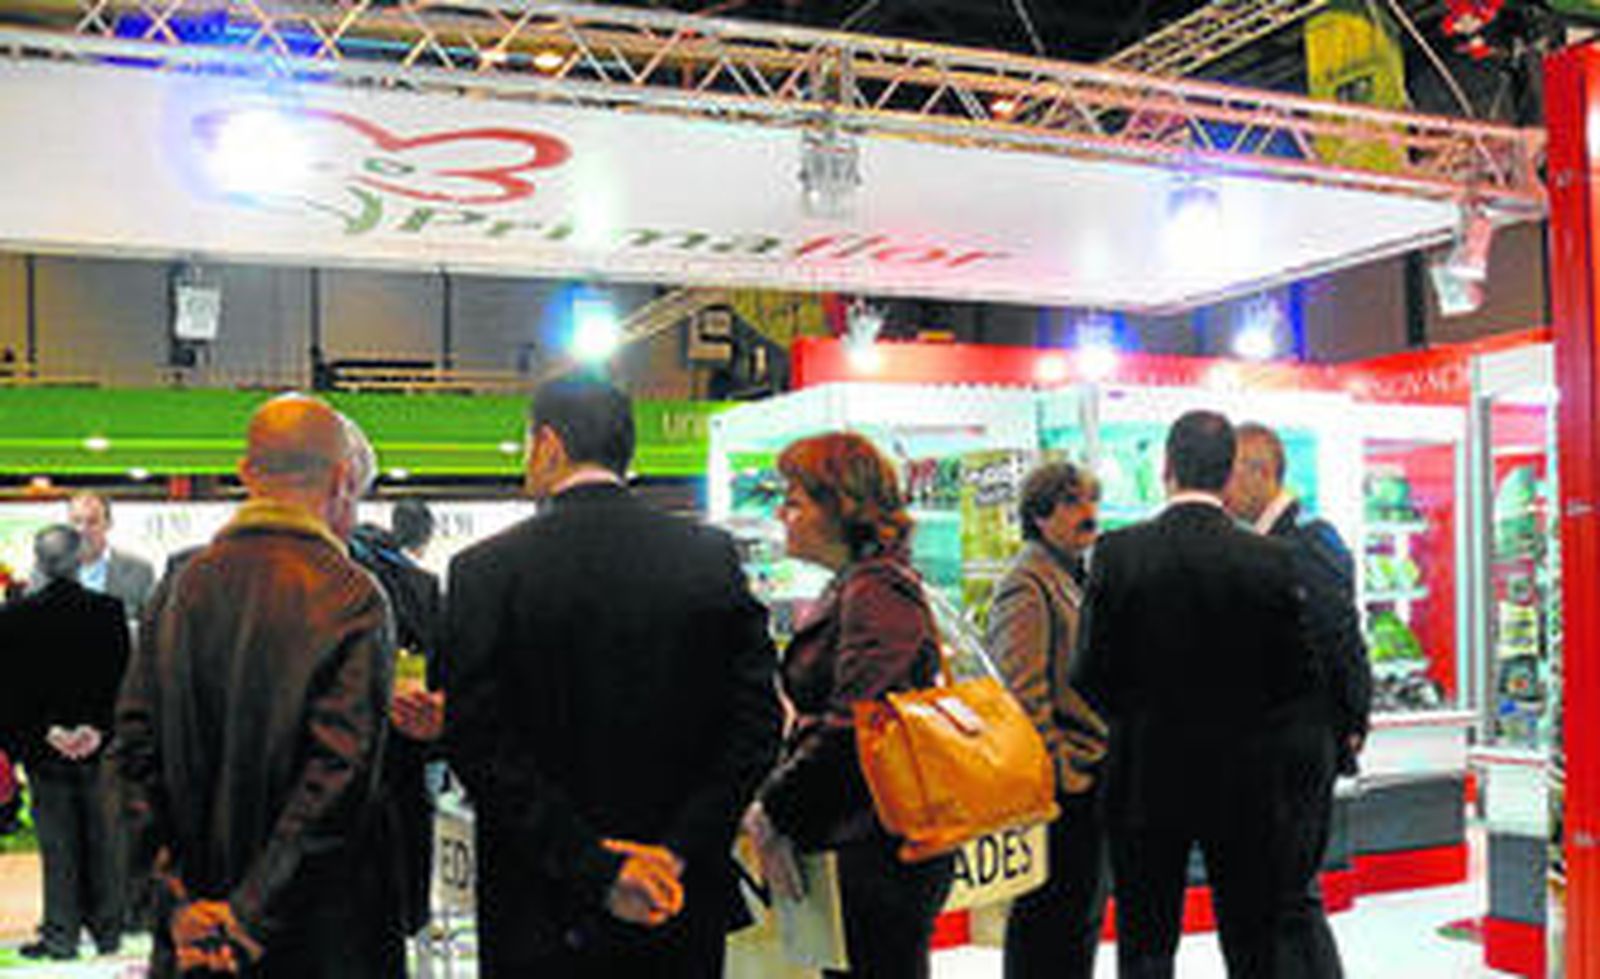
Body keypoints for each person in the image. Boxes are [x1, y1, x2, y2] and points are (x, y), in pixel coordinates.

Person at [445, 377, 780, 977]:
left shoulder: (484, 571)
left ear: (548, 444)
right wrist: (675, 853)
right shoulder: (708, 558)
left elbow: (478, 743)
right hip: (674, 902)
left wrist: (595, 868)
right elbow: (756, 726)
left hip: (540, 908)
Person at [115, 394, 402, 978]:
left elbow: (130, 758)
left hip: (195, 937)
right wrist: (249, 915)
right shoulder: (353, 595)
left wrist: (175, 907)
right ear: (342, 479)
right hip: (317, 935)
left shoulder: (177, 589)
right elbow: (340, 774)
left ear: (246, 473)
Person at [1072, 410, 1326, 978]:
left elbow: (1089, 671)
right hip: (1245, 781)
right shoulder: (1269, 559)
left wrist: (1138, 716)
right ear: (1229, 474)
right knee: (1252, 943)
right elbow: (1298, 677)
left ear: (1167, 467)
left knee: (1146, 943)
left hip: (1144, 775)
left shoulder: (1118, 553)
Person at [744, 431, 956, 979]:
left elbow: (856, 725)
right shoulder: (862, 584)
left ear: (840, 507)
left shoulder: (875, 590)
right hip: (864, 839)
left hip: (875, 846)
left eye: (795, 501)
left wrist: (774, 805)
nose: (782, 514)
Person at [1223, 421, 1373, 979]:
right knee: (1289, 896)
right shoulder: (1272, 543)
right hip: (1291, 745)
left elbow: (1341, 639)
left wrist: (1349, 725)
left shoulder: (1306, 542)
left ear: (1261, 472)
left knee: (1287, 898)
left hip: (1296, 747)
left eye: (1229, 473)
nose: (1222, 489)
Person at [987, 461, 1110, 979]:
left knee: (1077, 920)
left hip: (1085, 781)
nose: (1089, 513)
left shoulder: (1072, 574)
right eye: (1072, 502)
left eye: (1091, 500)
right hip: (1061, 788)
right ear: (1039, 515)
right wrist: (1061, 771)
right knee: (1050, 925)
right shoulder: (1028, 582)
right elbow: (1021, 692)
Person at [1, 524, 131, 961]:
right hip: (99, 749)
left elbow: (9, 692)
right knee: (104, 843)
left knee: (58, 848)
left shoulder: (13, 617)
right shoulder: (109, 611)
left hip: (44, 752)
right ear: (78, 561)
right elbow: (122, 680)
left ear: (39, 561)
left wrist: (46, 733)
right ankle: (109, 932)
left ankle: (61, 935)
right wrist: (98, 730)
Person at [31, 492, 156, 620]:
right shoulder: (45, 572)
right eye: (76, 521)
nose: (82, 530)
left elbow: (150, 625)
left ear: (108, 524)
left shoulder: (139, 571)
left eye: (92, 522)